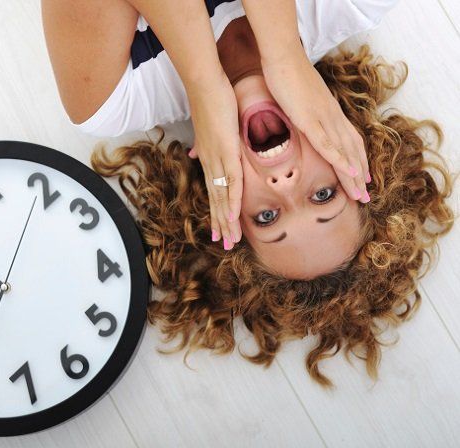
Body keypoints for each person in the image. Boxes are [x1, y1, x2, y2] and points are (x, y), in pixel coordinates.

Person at [42, 1, 457, 386]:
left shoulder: (113, 99)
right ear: (356, 149)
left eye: (267, 218)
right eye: (323, 195)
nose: (285, 183)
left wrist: (204, 81)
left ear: (221, 208)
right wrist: (283, 54)